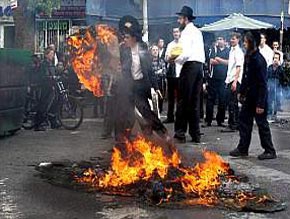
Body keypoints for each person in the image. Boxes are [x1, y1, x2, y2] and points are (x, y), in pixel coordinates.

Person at [115, 15, 170, 143]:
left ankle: (163, 134)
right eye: (124, 36)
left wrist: (156, 87)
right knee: (124, 114)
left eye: (127, 36)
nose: (125, 39)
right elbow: (122, 67)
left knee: (145, 111)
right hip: (128, 86)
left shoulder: (143, 47)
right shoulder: (123, 49)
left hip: (140, 86)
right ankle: (122, 142)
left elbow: (149, 70)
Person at [229, 32, 277, 160]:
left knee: (262, 124)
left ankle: (269, 150)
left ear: (252, 42)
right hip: (249, 97)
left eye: (245, 41)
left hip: (258, 97)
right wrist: (241, 92)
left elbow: (263, 83)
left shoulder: (259, 60)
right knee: (244, 121)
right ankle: (243, 148)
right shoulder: (248, 57)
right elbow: (245, 76)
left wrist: (261, 104)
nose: (244, 44)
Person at [172, 6, 205, 143]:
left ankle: (180, 133)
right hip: (199, 67)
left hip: (190, 66)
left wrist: (174, 59)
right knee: (195, 102)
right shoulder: (198, 32)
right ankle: (195, 133)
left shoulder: (186, 32)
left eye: (180, 18)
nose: (179, 21)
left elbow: (184, 53)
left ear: (185, 19)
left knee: (183, 100)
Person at [205, 36, 229, 127]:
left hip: (223, 79)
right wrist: (223, 61)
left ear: (224, 41)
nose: (219, 41)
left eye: (221, 39)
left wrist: (218, 60)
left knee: (222, 99)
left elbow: (229, 62)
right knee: (210, 99)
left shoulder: (228, 51)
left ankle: (220, 120)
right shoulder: (213, 49)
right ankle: (208, 120)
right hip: (213, 78)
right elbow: (211, 61)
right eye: (218, 39)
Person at [222, 32, 244, 132]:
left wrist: (235, 81)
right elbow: (231, 65)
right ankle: (232, 123)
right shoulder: (232, 50)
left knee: (233, 103)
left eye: (234, 39)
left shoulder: (238, 51)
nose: (232, 40)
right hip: (230, 79)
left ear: (238, 40)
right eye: (231, 38)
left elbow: (238, 67)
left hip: (235, 80)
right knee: (231, 102)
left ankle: (235, 124)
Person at [34, 48, 60, 131]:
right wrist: (51, 77)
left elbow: (54, 72)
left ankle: (53, 123)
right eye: (51, 54)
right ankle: (38, 125)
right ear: (46, 55)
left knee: (53, 104)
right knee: (43, 105)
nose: (52, 56)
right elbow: (43, 76)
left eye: (53, 54)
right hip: (45, 87)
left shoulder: (51, 64)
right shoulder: (43, 64)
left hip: (51, 86)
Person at [163, 27, 182, 123]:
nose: (176, 33)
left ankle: (180, 117)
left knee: (180, 97)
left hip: (181, 74)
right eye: (174, 32)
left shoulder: (184, 44)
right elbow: (166, 58)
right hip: (171, 73)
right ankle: (170, 116)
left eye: (177, 32)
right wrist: (171, 57)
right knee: (171, 97)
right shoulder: (170, 45)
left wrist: (176, 57)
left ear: (180, 33)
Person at [267, 52, 287, 118]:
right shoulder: (269, 67)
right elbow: (266, 77)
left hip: (277, 88)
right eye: (274, 58)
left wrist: (280, 67)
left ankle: (274, 115)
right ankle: (269, 114)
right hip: (270, 88)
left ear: (279, 60)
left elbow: (284, 78)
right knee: (269, 101)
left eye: (277, 58)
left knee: (275, 102)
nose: (275, 59)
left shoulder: (280, 69)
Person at [151, 44, 166, 114]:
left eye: (156, 50)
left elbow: (164, 71)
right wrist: (158, 72)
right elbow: (149, 72)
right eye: (153, 50)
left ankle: (160, 110)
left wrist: (154, 73)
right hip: (151, 83)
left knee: (160, 97)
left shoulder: (161, 61)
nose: (155, 51)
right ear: (151, 51)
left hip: (160, 81)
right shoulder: (148, 62)